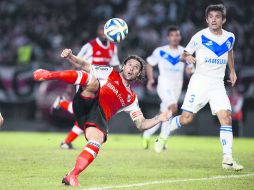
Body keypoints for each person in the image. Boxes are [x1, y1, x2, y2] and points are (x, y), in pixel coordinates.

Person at [33, 49, 172, 186]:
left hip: (97, 116)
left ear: (138, 74)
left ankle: (72, 175)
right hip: (88, 100)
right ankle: (49, 75)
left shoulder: (132, 99)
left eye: (136, 67)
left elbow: (141, 124)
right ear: (124, 66)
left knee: (96, 141)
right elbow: (85, 65)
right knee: (92, 81)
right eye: (130, 64)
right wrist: (70, 56)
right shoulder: (109, 72)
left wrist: (159, 118)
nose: (132, 68)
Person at [168, 4, 243, 170]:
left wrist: (232, 70)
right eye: (211, 17)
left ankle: (227, 158)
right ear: (206, 19)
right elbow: (183, 54)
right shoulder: (199, 36)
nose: (214, 19)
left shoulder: (230, 36)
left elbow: (229, 51)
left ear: (223, 20)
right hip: (200, 81)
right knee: (186, 119)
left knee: (226, 117)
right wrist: (187, 58)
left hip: (217, 83)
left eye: (217, 17)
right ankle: (168, 127)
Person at [52, 22, 120, 149]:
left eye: (107, 30)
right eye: (102, 30)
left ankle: (65, 141)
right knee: (86, 114)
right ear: (98, 32)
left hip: (102, 84)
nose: (104, 33)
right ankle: (66, 141)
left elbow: (115, 66)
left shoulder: (113, 48)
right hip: (86, 81)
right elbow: (76, 61)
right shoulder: (89, 46)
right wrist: (72, 82)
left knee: (86, 115)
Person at [142, 26, 193, 153]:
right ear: (168, 37)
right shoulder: (160, 51)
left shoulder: (184, 52)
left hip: (177, 86)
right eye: (172, 35)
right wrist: (150, 79)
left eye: (177, 35)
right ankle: (162, 139)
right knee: (172, 107)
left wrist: (190, 70)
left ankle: (148, 133)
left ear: (180, 37)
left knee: (165, 113)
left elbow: (189, 68)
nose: (175, 38)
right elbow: (149, 63)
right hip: (164, 84)